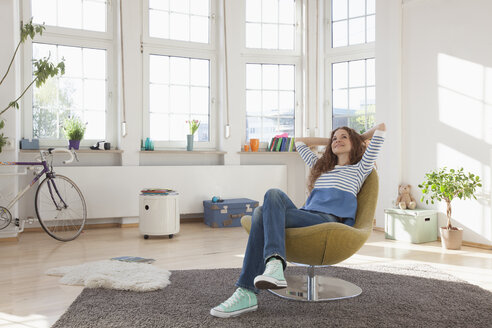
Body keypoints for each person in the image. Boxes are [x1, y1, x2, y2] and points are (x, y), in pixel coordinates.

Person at [210, 123, 386, 318]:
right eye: (335, 138)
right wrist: (330, 141)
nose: (338, 141)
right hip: (306, 215)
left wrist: (358, 136)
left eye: (344, 137)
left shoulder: (360, 168)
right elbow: (300, 142)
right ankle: (273, 265)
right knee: (270, 199)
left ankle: (248, 291)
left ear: (354, 142)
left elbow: (381, 128)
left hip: (327, 220)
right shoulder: (322, 167)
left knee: (260, 214)